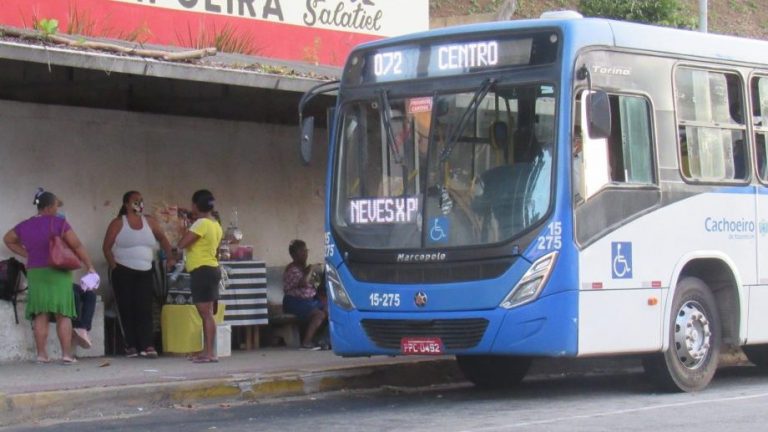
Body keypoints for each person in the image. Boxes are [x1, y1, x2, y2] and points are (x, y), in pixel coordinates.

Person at [2, 189, 96, 364]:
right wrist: (89, 265)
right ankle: (66, 355)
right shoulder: (59, 223)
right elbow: (77, 246)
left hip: (36, 272)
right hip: (58, 271)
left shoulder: (25, 225)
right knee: (63, 314)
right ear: (51, 206)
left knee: (40, 313)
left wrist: (27, 253)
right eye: (55, 205)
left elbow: (7, 239)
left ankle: (41, 355)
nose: (56, 208)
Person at [103, 191, 175, 358]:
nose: (139, 203)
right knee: (126, 307)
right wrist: (115, 267)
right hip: (123, 270)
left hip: (145, 271)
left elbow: (163, 239)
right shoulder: (118, 223)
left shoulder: (149, 221)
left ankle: (147, 344)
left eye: (141, 200)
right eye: (135, 201)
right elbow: (106, 247)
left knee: (145, 307)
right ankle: (131, 345)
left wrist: (170, 257)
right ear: (127, 204)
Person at [177, 189, 222, 363]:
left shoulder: (201, 224)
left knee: (205, 313)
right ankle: (208, 350)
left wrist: (183, 228)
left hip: (201, 270)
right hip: (211, 268)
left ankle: (209, 352)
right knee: (208, 313)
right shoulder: (215, 224)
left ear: (196, 205)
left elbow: (183, 244)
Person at [283, 239, 327, 350]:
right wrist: (309, 271)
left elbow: (315, 285)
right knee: (319, 315)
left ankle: (322, 340)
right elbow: (302, 283)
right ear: (293, 255)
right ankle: (306, 343)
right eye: (301, 252)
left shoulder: (305, 268)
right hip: (294, 302)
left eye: (305, 251)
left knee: (330, 310)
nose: (305, 254)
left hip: (310, 301)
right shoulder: (291, 270)